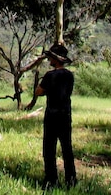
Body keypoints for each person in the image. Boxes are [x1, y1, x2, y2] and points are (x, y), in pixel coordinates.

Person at [35, 43, 77, 189]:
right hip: (66, 114)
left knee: (49, 149)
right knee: (67, 148)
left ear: (56, 59)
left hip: (52, 115)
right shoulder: (69, 76)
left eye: (51, 57)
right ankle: (71, 180)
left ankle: (51, 180)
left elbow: (38, 91)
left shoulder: (49, 75)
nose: (49, 60)